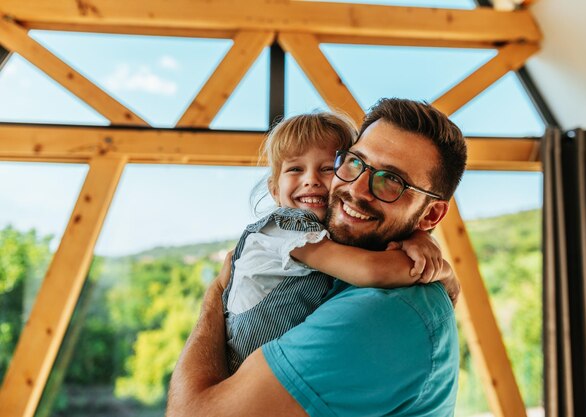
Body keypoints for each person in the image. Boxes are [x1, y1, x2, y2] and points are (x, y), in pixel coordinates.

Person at [167, 98, 467, 417]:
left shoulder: (382, 310)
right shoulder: (304, 242)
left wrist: (216, 293)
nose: (358, 188)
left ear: (431, 215)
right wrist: (432, 257)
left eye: (392, 180)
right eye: (355, 162)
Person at [222, 112, 454, 373]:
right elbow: (371, 270)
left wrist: (417, 236)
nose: (310, 180)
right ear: (275, 189)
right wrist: (442, 270)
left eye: (327, 169)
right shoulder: (286, 228)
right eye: (295, 169)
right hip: (237, 367)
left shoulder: (331, 237)